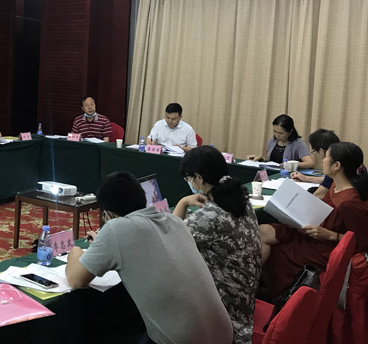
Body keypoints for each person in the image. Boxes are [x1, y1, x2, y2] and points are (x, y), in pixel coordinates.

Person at [65, 171, 233, 344]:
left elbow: (75, 279)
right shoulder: (174, 220)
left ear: (108, 215)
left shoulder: (115, 229)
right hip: (225, 335)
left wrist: (76, 251)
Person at [174, 146, 261, 344]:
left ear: (198, 178)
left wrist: (182, 204)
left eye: (188, 178)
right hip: (244, 298)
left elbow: (171, 241)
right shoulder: (242, 200)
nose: (188, 182)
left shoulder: (209, 217)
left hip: (225, 313)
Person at [260, 142, 368, 297]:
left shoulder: (350, 203)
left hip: (324, 245)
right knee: (262, 230)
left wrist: (330, 235)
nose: (323, 160)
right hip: (314, 229)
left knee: (280, 251)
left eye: (326, 157)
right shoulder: (335, 186)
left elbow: (362, 242)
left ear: (336, 165)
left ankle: (275, 294)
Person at [248, 114, 312, 169]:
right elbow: (271, 161)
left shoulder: (298, 143)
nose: (277, 135)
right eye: (275, 131)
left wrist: (290, 165)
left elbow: (310, 163)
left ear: (290, 132)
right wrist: (262, 159)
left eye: (281, 133)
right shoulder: (273, 141)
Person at [291, 128, 340, 199]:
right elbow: (328, 180)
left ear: (321, 151)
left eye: (314, 151)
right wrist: (306, 178)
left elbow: (319, 195)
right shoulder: (340, 157)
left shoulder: (333, 166)